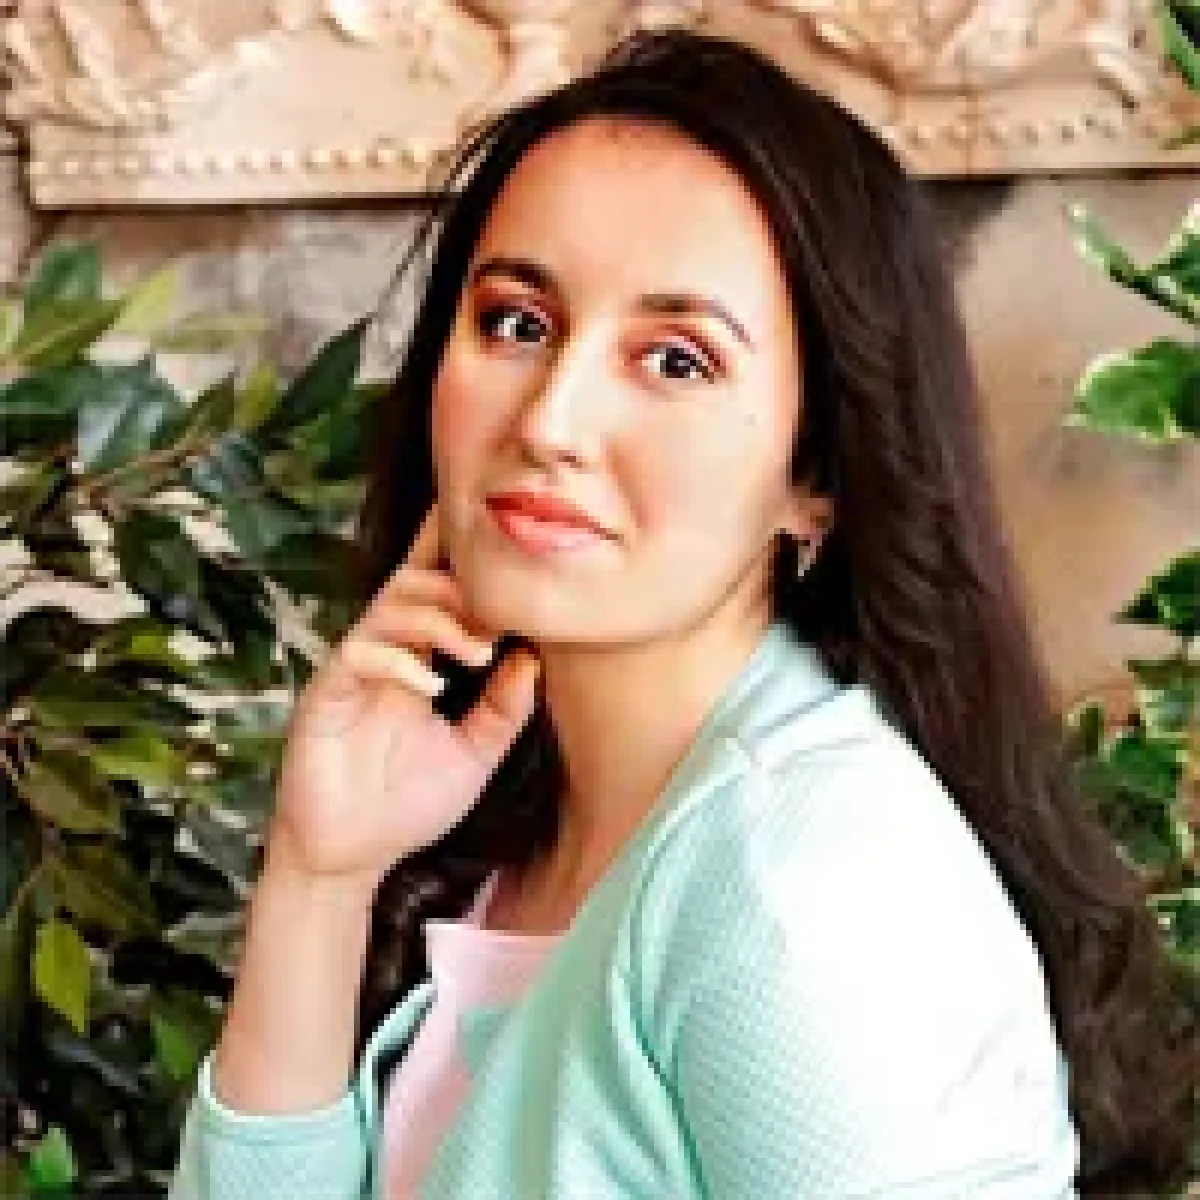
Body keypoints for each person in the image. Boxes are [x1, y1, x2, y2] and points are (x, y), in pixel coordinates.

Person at [167, 27, 1196, 1200]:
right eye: (517, 323)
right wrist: (321, 877)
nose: (551, 421)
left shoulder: (806, 883)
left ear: (818, 476)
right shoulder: (522, 823)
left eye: (675, 361)